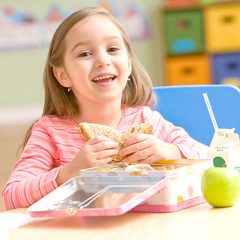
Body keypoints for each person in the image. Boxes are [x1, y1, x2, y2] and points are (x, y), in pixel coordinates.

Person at [2, 7, 208, 210]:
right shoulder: (49, 132)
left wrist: (169, 151)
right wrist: (71, 171)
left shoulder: (146, 121)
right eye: (84, 53)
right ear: (63, 75)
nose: (102, 60)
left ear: (128, 64)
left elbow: (209, 157)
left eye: (112, 49)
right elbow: (13, 196)